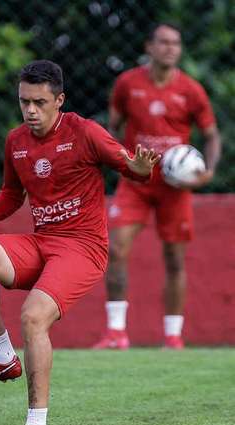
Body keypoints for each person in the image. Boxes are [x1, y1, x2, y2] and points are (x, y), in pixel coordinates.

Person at [0, 60, 160, 425]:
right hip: (43, 241)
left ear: (59, 100)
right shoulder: (16, 141)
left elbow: (132, 169)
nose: (30, 110)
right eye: (24, 102)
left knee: (33, 317)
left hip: (83, 247)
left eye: (40, 102)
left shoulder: (85, 132)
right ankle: (2, 357)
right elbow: (11, 196)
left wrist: (139, 167)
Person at [93, 23, 221, 351]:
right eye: (163, 42)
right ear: (149, 46)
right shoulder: (127, 83)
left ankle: (173, 337)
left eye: (175, 43)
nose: (170, 48)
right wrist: (121, 161)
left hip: (175, 189)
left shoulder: (191, 90)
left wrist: (207, 172)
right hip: (135, 182)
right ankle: (116, 333)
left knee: (174, 259)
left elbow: (211, 136)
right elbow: (113, 129)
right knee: (116, 249)